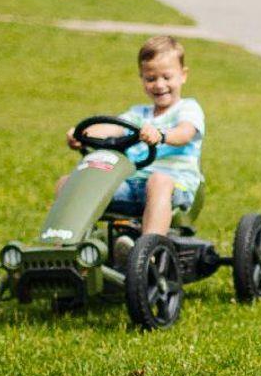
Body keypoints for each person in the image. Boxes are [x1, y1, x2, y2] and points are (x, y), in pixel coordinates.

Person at [64, 34, 204, 237]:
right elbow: (112, 128)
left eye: (167, 77)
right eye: (151, 79)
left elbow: (184, 133)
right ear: (142, 79)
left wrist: (161, 135)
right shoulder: (138, 115)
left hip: (175, 187)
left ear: (183, 75)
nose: (159, 85)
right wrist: (81, 133)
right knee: (70, 183)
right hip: (130, 187)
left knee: (158, 181)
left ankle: (148, 248)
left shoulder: (187, 108)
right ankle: (68, 244)